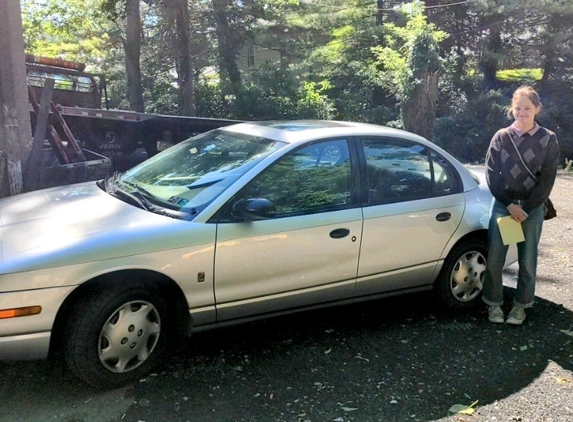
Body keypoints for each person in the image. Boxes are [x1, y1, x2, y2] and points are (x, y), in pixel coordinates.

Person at [482, 85, 560, 325]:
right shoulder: (502, 137)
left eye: (527, 108)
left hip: (532, 209)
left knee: (527, 260)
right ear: (511, 109)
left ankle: (521, 306)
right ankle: (494, 305)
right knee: (496, 258)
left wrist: (525, 207)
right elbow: (491, 174)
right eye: (518, 108)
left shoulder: (548, 139)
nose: (522, 113)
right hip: (504, 206)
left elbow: (547, 179)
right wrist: (509, 204)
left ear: (537, 109)